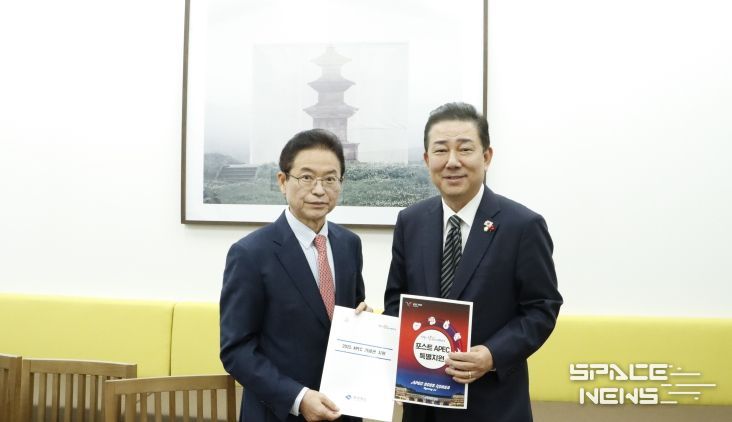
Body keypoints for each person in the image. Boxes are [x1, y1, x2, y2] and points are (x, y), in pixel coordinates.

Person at [384, 102, 563, 421]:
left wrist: (492, 355)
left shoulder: (522, 225)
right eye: (441, 150)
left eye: (465, 149)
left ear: (487, 157)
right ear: (427, 160)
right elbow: (397, 302)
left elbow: (542, 307)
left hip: (492, 405)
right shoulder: (411, 221)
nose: (452, 162)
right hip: (422, 405)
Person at [220, 128, 367, 422]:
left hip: (343, 410)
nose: (319, 189)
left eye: (330, 179)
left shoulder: (349, 244)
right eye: (307, 177)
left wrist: (362, 322)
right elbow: (236, 350)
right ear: (282, 181)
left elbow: (345, 318)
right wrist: (298, 398)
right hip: (279, 413)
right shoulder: (250, 253)